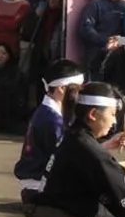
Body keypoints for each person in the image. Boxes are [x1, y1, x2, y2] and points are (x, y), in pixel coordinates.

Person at [27, 82, 125, 217]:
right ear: (92, 114)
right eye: (112, 114)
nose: (114, 122)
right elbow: (123, 196)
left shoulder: (74, 138)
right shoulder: (87, 149)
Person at [13, 60, 84, 206]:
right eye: (78, 89)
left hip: (35, 181)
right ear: (61, 89)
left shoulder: (49, 112)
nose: (81, 93)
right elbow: (67, 157)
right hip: (40, 186)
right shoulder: (52, 120)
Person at [77, 0, 125, 75]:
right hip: (96, 57)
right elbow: (85, 29)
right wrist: (105, 41)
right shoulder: (95, 4)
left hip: (121, 60)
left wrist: (121, 41)